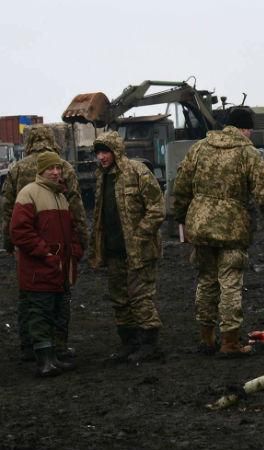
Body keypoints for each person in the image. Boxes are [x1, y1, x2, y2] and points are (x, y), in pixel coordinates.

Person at [173, 108, 264, 357]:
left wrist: (182, 219)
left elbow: (180, 188)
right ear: (246, 129)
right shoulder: (248, 153)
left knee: (206, 282)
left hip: (200, 227)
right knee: (230, 283)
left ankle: (206, 338)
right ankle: (230, 341)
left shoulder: (199, 148)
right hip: (232, 229)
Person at [2, 125, 88, 361]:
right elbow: (76, 207)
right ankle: (57, 345)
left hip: (26, 246)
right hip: (56, 242)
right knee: (60, 294)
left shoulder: (18, 167)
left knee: (28, 295)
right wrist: (81, 241)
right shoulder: (64, 167)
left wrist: (9, 243)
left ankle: (30, 346)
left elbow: (7, 207)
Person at [89, 131, 165, 362]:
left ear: (116, 151)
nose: (102, 157)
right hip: (113, 249)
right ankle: (128, 343)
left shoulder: (137, 171)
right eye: (99, 152)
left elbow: (157, 208)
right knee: (119, 299)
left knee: (140, 297)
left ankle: (149, 344)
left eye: (105, 151)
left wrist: (140, 234)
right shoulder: (101, 177)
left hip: (139, 250)